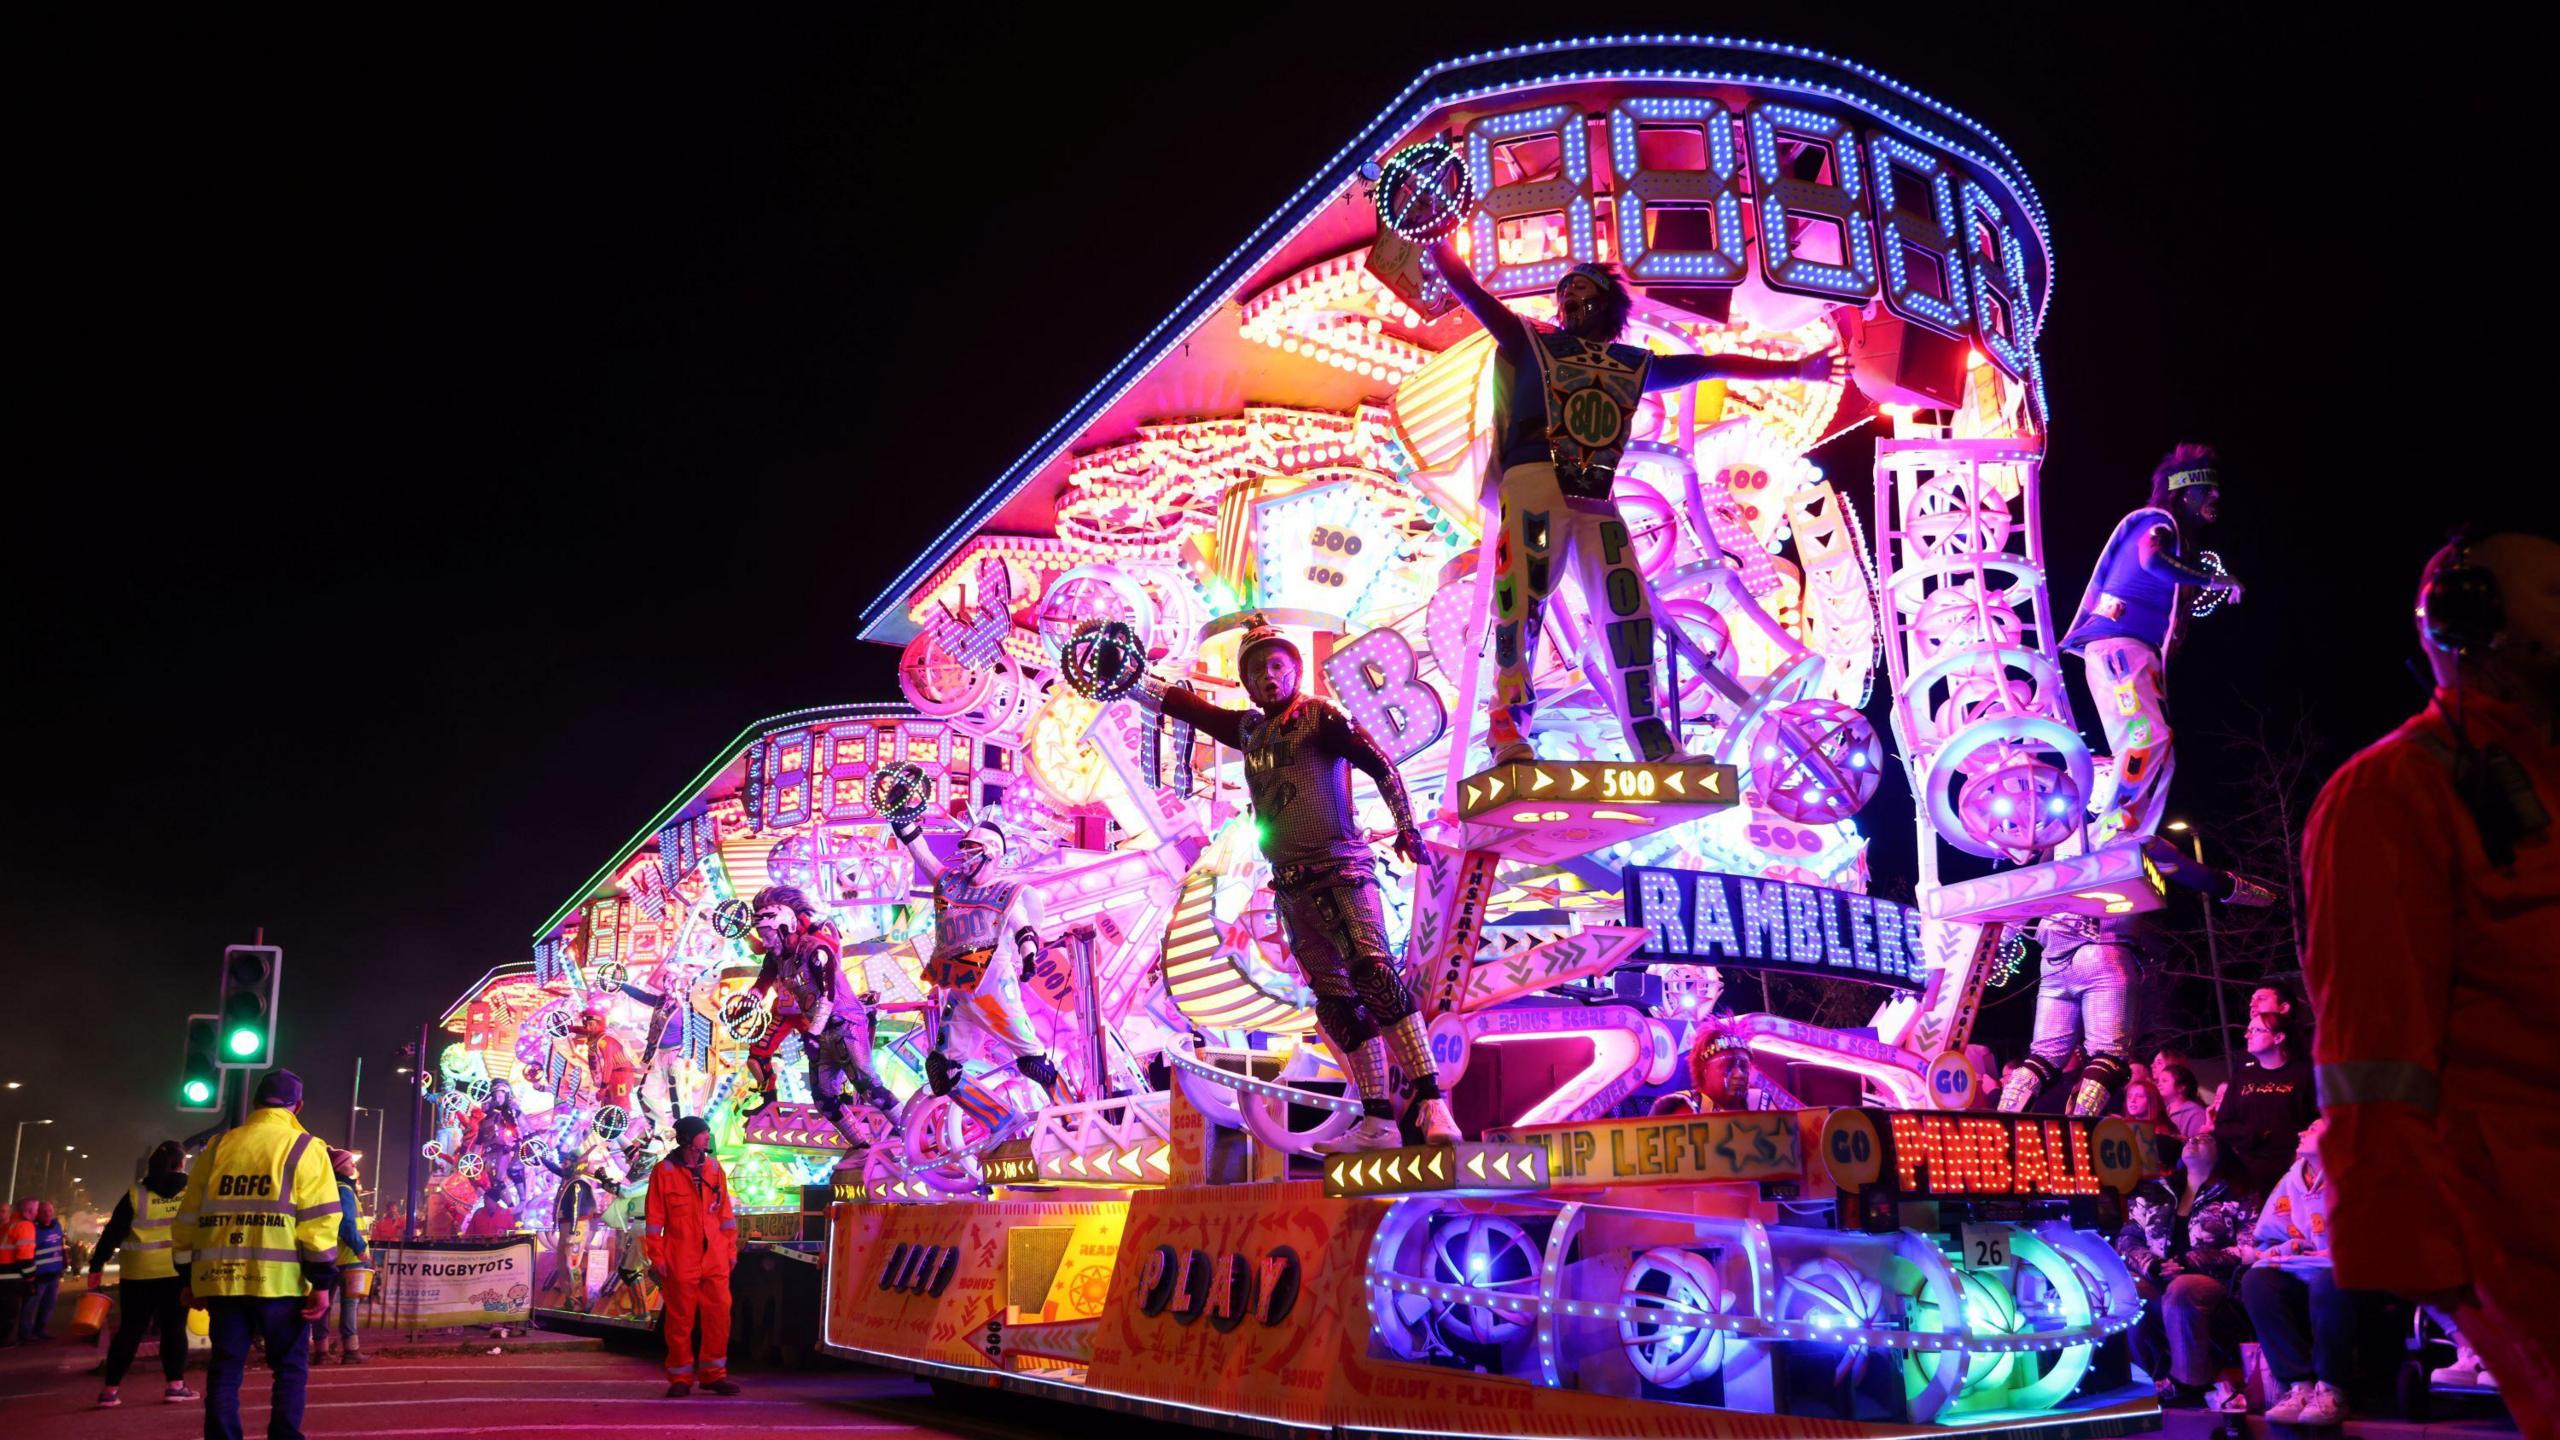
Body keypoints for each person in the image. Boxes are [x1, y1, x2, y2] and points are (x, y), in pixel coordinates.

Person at [2301, 527, 2559, 1432]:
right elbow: (2372, 1048)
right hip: (2523, 1216)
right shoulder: (2392, 792)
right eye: (2555, 596)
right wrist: (2405, 1247)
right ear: (2469, 618)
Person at [1427, 240, 1830, 763]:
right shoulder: (1531, 341)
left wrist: (1794, 371)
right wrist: (1436, 240)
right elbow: (1473, 294)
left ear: (1607, 306)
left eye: (1580, 291)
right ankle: (1508, 731)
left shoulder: (1630, 363)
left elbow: (1705, 365)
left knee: (1629, 615)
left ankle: (1655, 745)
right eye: (1563, 294)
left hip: (1595, 498)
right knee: (1521, 606)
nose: (1568, 299)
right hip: (1535, 486)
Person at [1145, 617, 1461, 1149]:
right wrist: (1136, 682)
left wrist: (1406, 825)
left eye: (1277, 665)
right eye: (1257, 671)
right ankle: (1377, 1118)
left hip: (1342, 870)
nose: (1268, 677)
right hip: (1291, 888)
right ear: (1246, 682)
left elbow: (1380, 764)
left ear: (1293, 669)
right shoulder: (1249, 731)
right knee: (1334, 1003)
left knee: (1375, 976)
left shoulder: (1318, 715)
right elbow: (1190, 708)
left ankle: (1433, 1102)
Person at [2062, 443, 2244, 847]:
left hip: (2131, 654)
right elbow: (2151, 561)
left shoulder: (2176, 539)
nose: (2216, 496)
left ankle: (2128, 835)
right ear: (2184, 491)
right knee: (2148, 738)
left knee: (2161, 750)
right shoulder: (2158, 524)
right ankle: (2110, 830)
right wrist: (2213, 580)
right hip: (2118, 650)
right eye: (2207, 489)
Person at [173, 1069, 343, 1440]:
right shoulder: (305, 1148)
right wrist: (322, 1283)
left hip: (222, 1281)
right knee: (289, 1370)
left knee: (225, 1369)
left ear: (254, 1104)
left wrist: (188, 1280)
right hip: (282, 1285)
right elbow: (319, 1224)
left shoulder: (217, 1148)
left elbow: (186, 1220)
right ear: (297, 1106)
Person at [743, 884, 903, 1147]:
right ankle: (861, 1147)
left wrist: (813, 1034)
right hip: (819, 1031)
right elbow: (761, 984)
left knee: (868, 1087)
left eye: (767, 933)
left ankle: (909, 1133)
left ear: (785, 927)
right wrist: (749, 1002)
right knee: (824, 1099)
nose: (765, 941)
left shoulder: (815, 949)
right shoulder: (777, 956)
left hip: (845, 1024)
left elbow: (827, 997)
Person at [2236, 1116, 2369, 1427]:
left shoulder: (2358, 1174)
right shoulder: (2292, 1180)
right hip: (2306, 1267)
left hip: (2354, 1271)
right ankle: (2299, 1386)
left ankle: (2331, 1388)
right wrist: (2289, 1250)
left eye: (2312, 1127)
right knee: (2257, 1281)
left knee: (2329, 1281)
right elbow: (2269, 1236)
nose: (2300, 1131)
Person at [2116, 1130, 2258, 1410]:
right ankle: (2142, 1381)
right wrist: (2152, 1264)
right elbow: (2127, 1238)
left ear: (2222, 1153)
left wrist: (2190, 1261)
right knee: (2124, 1288)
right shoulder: (2156, 1191)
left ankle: (2186, 1383)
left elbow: (2249, 1248)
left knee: (2183, 1288)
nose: (2192, 1141)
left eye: (2205, 1139)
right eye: (2190, 1138)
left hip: (2216, 1284)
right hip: (2159, 1278)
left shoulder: (2238, 1194)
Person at [2002, 911, 2142, 1117]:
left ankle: (2004, 1123)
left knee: (2043, 1058)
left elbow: (2017, 904)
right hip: (2103, 949)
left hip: (2053, 961)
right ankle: (2078, 1127)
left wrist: (1998, 939)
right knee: (2108, 1054)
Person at [91, 1141, 199, 1406]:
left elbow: (113, 1232)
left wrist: (97, 1266)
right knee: (174, 1330)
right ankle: (175, 1386)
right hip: (177, 1272)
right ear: (181, 1163)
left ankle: (110, 1391)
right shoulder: (191, 1191)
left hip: (137, 1274)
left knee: (130, 1331)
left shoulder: (135, 1194)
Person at [645, 1115, 740, 1398]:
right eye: (703, 1134)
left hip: (715, 1256)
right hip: (680, 1256)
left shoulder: (713, 1169)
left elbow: (725, 1215)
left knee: (719, 1315)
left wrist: (730, 1249)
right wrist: (657, 1256)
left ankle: (714, 1375)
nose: (708, 1138)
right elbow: (654, 1219)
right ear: (688, 1139)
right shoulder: (664, 1171)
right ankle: (680, 1377)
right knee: (680, 1320)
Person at [2211, 1009, 2318, 1197]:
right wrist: (2251, 1134)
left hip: (2289, 1168)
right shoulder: (2243, 1075)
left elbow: (2314, 1118)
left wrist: (2303, 1155)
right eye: (2248, 1030)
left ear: (2278, 1037)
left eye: (2257, 1031)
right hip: (2245, 1169)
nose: (2247, 1035)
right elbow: (2222, 1124)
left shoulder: (2303, 1074)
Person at [308, 1149, 366, 1364]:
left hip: (329, 1254)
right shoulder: (345, 1190)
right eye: (350, 1163)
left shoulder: (328, 1189)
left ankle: (321, 1351)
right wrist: (359, 1247)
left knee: (324, 1304)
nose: (354, 1166)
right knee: (350, 1303)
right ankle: (351, 1350)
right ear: (341, 1167)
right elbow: (347, 1223)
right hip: (349, 1256)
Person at [1649, 1020, 1754, 1115]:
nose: (1739, 1074)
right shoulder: (1688, 1108)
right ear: (1704, 1071)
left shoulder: (1759, 1103)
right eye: (1728, 1066)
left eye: (1744, 1067)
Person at [0, 1197, 34, 1345]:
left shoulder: (9, 1226)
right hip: (10, 1278)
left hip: (8, 1276)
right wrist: (30, 1278)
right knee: (8, 1311)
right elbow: (25, 1257)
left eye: (3, 1211)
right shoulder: (22, 1226)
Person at [2156, 1060, 2211, 1139]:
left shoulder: (2195, 1113)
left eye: (2164, 1081)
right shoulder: (2164, 1111)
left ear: (2181, 1087)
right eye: (2158, 1081)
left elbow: (2197, 1146)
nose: (2159, 1084)